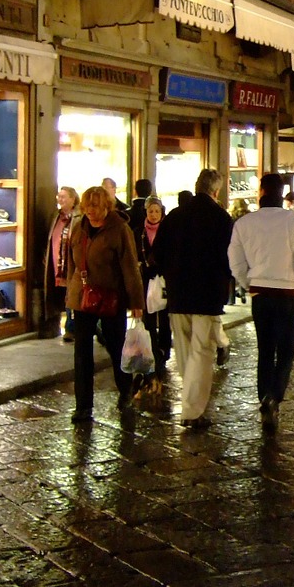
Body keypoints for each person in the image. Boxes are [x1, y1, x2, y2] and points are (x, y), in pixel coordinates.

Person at [229, 173, 294, 433]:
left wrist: (247, 283)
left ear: (261, 192)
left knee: (265, 349)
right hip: (288, 293)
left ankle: (264, 395)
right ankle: (274, 396)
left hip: (261, 294)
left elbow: (235, 259)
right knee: (286, 351)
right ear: (282, 193)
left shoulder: (244, 223)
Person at [153, 168, 234, 428]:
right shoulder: (221, 218)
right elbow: (229, 258)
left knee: (186, 349)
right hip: (207, 295)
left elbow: (157, 252)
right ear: (216, 190)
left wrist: (171, 274)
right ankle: (192, 410)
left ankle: (190, 401)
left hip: (178, 294)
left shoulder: (176, 216)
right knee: (202, 351)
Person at [65, 186, 144, 423]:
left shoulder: (119, 229)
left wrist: (136, 301)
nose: (91, 211)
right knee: (82, 353)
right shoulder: (80, 228)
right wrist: (70, 295)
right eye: (88, 206)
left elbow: (130, 266)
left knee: (116, 346)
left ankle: (126, 389)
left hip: (111, 297)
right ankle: (83, 406)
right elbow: (73, 262)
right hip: (83, 297)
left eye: (96, 207)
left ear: (106, 207)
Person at [137, 195, 171, 377]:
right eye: (151, 211)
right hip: (145, 278)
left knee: (165, 316)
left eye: (157, 211)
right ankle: (152, 350)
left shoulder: (167, 231)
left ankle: (164, 349)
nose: (154, 215)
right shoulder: (139, 233)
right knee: (148, 316)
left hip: (163, 278)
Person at [43, 186, 81, 341]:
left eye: (64, 196)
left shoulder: (78, 218)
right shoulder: (55, 216)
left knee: (71, 295)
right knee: (59, 295)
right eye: (59, 196)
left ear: (73, 199)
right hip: (55, 263)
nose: (60, 199)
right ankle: (59, 325)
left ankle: (71, 328)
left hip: (71, 264)